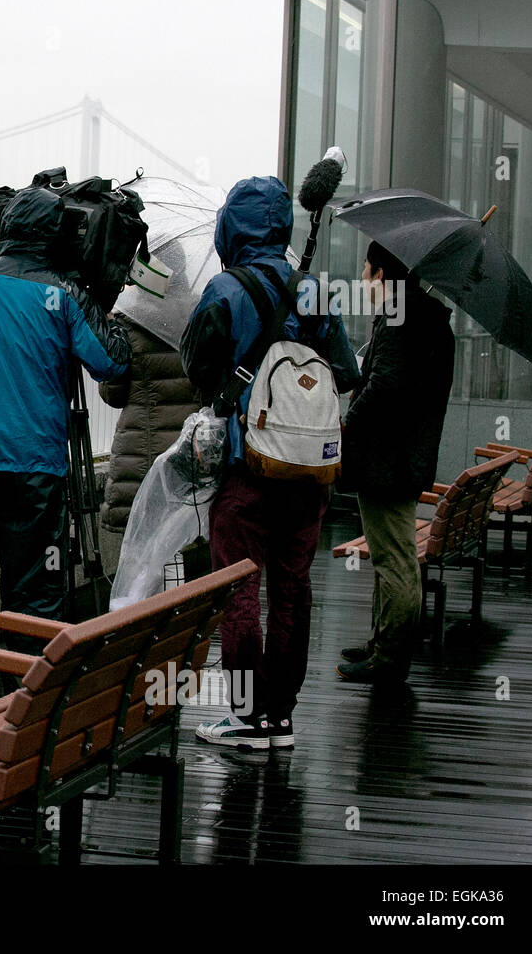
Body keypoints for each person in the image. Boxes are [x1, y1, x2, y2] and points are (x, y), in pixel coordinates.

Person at [0, 185, 132, 715]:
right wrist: (104, 305)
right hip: (34, 469)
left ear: (6, 229)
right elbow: (112, 364)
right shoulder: (64, 293)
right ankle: (26, 711)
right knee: (34, 596)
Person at [180, 175, 359, 750]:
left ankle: (244, 714)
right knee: (291, 587)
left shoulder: (226, 290)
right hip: (308, 471)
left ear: (231, 226)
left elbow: (199, 372)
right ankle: (280, 716)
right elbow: (348, 374)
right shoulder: (314, 290)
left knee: (238, 588)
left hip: (248, 469)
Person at [336, 242, 455, 683]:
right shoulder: (423, 317)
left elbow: (385, 386)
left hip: (388, 460)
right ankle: (381, 642)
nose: (364, 282)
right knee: (392, 555)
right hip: (403, 458)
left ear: (382, 274)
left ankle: (390, 658)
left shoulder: (402, 319)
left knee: (395, 560)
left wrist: (350, 423)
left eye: (366, 272)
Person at [98, 314, 202, 539]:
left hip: (140, 454)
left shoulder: (127, 323)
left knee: (144, 547)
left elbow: (113, 394)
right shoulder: (196, 318)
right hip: (189, 450)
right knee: (185, 536)